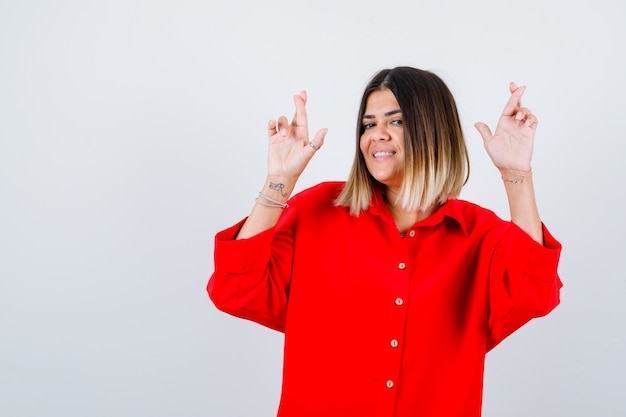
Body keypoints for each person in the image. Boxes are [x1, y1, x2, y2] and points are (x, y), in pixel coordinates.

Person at [207, 66, 562, 417]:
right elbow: (236, 290)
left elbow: (534, 294)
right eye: (369, 124)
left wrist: (516, 175)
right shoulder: (316, 210)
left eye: (395, 121)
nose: (377, 134)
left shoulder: (479, 234)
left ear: (434, 131)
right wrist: (278, 181)